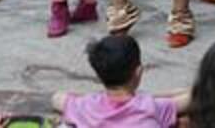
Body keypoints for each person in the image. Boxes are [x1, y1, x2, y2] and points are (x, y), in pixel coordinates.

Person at [50, 35, 189, 128]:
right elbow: (195, 97)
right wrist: (155, 96)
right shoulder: (150, 106)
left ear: (99, 77)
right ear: (139, 72)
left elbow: (56, 98)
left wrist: (89, 98)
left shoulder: (86, 105)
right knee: (184, 121)